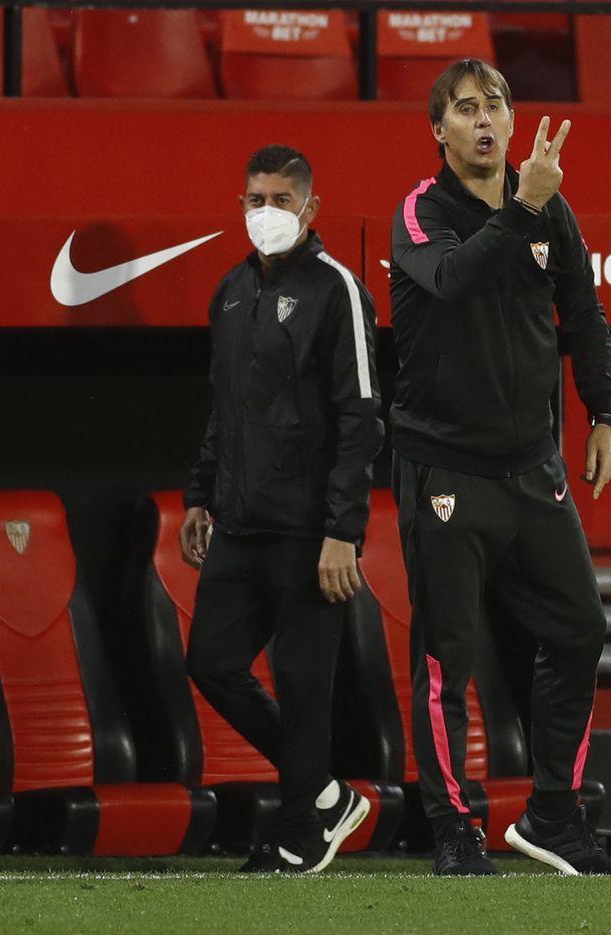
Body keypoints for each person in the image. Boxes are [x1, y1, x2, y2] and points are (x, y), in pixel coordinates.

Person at [387, 58, 611, 877]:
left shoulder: (549, 210)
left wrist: (604, 414)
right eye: (465, 108)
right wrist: (523, 203)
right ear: (439, 130)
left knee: (579, 626)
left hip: (533, 469)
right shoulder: (420, 214)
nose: (483, 119)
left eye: (495, 105)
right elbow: (453, 279)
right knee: (446, 656)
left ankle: (554, 814)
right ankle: (453, 825)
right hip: (445, 468)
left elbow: (586, 313)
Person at [181, 145, 384, 874]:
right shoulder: (231, 292)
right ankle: (325, 792)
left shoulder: (339, 291)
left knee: (303, 686)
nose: (263, 212)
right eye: (252, 199)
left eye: (278, 199)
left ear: (310, 208)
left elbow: (362, 417)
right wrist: (200, 493)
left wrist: (343, 531)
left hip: (308, 528)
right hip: (238, 519)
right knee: (209, 661)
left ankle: (302, 828)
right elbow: (223, 406)